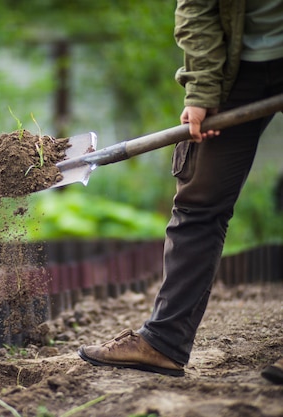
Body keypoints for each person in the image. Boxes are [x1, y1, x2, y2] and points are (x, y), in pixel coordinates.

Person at [77, 0, 283, 384]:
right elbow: (197, 7)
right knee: (199, 200)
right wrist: (202, 90)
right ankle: (164, 342)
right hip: (238, 63)